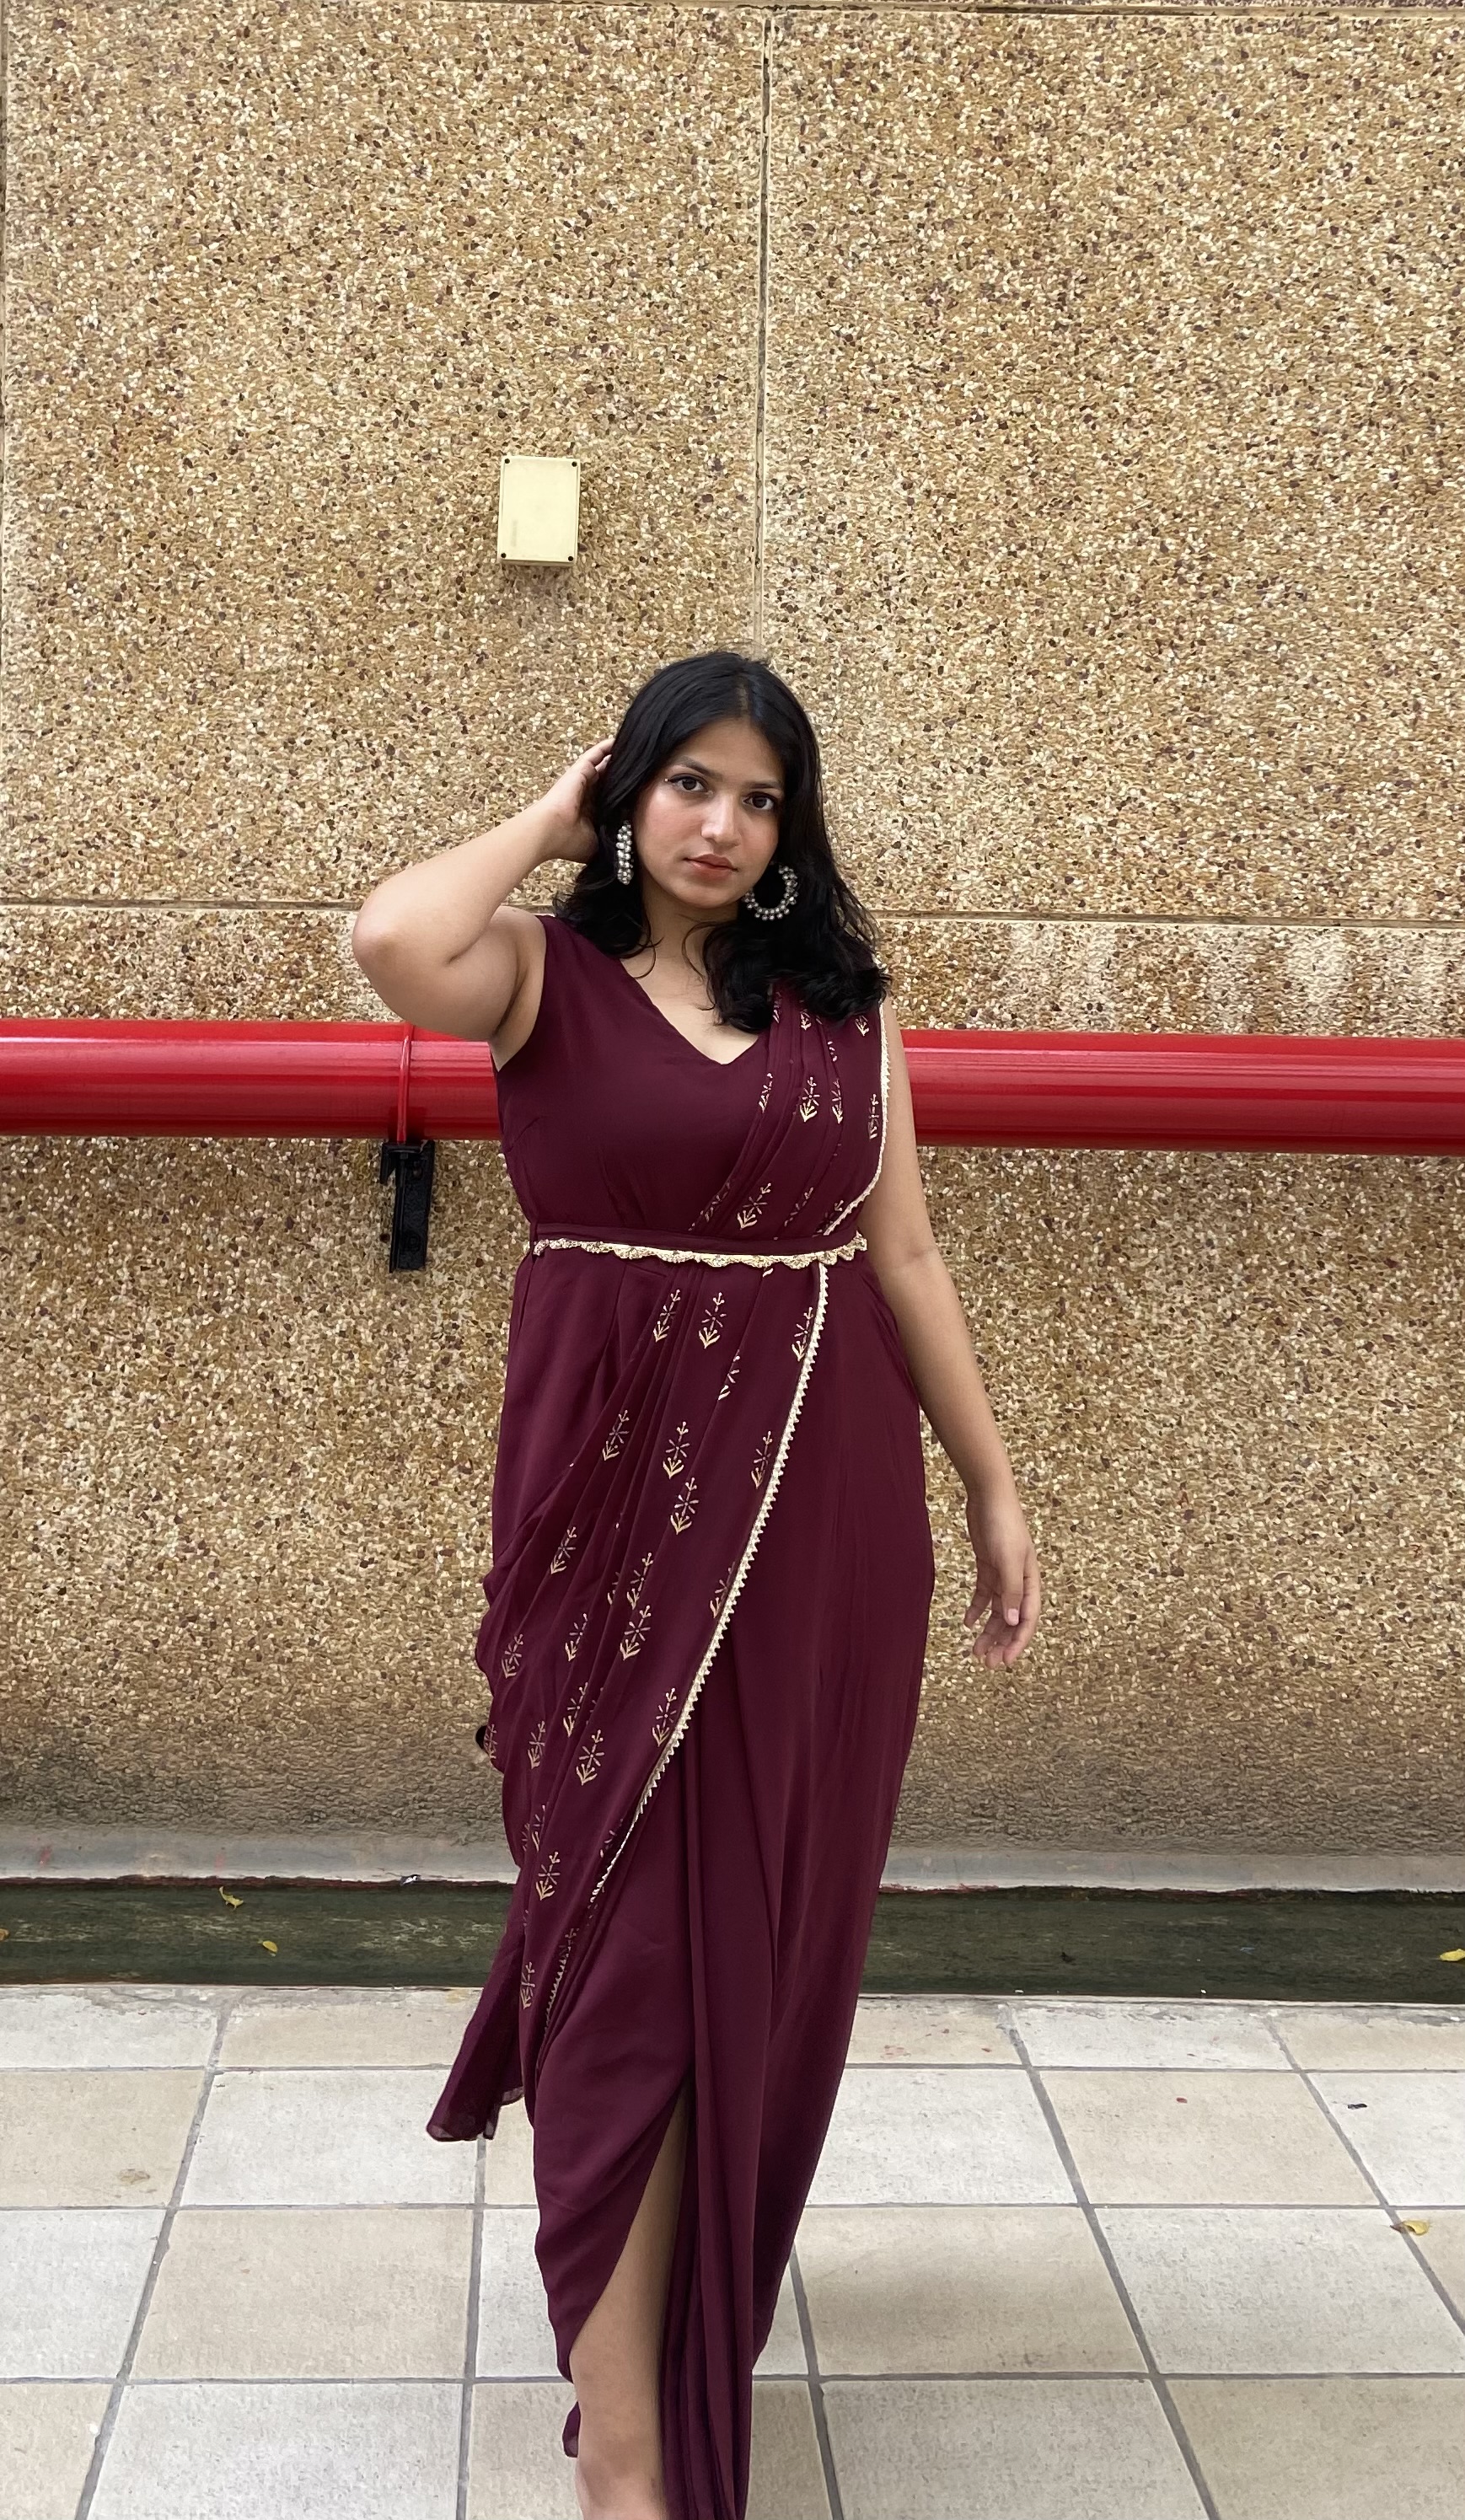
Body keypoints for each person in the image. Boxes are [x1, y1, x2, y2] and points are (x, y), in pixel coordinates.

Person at [351, 649, 1041, 2520]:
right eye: (686, 784)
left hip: (821, 1518)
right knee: (621, 1947)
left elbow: (904, 1255)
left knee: (748, 1939)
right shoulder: (538, 979)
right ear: (628, 791)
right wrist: (547, 813)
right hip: (605, 1527)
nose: (721, 825)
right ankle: (633, 2437)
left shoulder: (843, 1015)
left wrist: (990, 1482)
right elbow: (392, 936)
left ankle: (655, 2391)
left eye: (757, 797)